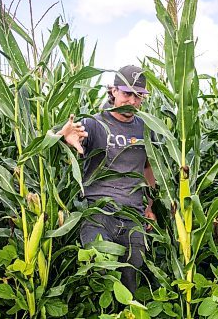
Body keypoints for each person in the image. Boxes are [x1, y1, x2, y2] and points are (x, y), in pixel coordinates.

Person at [58, 65, 156, 294]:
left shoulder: (146, 128)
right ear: (113, 91)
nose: (131, 100)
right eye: (126, 93)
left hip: (133, 218)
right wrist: (65, 136)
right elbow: (67, 135)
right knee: (98, 282)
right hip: (99, 215)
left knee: (129, 287)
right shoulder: (94, 123)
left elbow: (148, 168)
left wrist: (150, 207)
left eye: (138, 95)